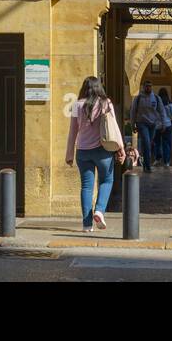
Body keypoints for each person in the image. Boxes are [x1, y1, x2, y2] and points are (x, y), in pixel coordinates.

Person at [66, 76, 120, 232]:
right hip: (102, 151)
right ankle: (99, 210)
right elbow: (114, 128)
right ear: (98, 88)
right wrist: (121, 148)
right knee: (107, 181)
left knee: (86, 187)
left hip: (82, 152)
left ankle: (87, 224)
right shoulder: (105, 103)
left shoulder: (76, 105)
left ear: (84, 88)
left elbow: (72, 132)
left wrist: (69, 154)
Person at [130, 80, 164, 173]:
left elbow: (161, 111)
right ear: (143, 87)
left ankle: (145, 163)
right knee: (147, 142)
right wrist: (133, 124)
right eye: (146, 86)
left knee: (148, 144)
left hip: (152, 124)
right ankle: (148, 166)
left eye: (150, 86)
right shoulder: (138, 98)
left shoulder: (156, 98)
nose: (148, 88)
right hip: (142, 123)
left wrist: (163, 123)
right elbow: (133, 112)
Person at [158, 88, 172, 167]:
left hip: (159, 126)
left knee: (159, 143)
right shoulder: (169, 103)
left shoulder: (157, 103)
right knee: (167, 144)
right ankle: (167, 161)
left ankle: (158, 158)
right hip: (168, 125)